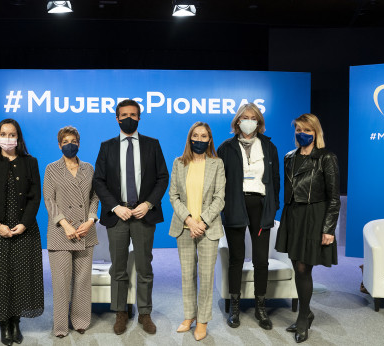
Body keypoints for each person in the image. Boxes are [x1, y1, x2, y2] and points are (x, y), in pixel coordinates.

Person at [93, 99, 169, 335]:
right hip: (118, 216)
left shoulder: (152, 144)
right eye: (124, 114)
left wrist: (148, 204)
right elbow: (99, 181)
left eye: (133, 114)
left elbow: (162, 178)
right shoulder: (107, 146)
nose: (129, 118)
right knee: (118, 268)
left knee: (145, 268)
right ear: (117, 118)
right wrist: (116, 207)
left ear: (139, 117)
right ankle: (121, 313)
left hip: (143, 214)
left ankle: (145, 313)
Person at [0, 118, 44, 346]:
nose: (8, 138)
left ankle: (16, 321)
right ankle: (3, 324)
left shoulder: (30, 162)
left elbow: (35, 197)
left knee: (20, 277)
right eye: (3, 134)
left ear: (18, 137)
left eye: (12, 134)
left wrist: (24, 223)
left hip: (24, 229)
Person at [275, 113, 340, 343]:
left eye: (307, 130)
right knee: (296, 265)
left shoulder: (326, 158)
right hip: (293, 215)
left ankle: (303, 317)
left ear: (316, 133)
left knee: (304, 269)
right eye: (299, 130)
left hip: (315, 216)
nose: (302, 134)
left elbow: (334, 197)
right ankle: (307, 312)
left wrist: (329, 228)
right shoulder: (288, 157)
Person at [217, 103, 280, 330]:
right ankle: (235, 307)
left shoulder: (269, 147)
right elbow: (219, 181)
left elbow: (275, 179)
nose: (249, 121)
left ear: (259, 122)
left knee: (260, 259)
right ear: (237, 121)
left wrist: (274, 206)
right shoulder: (226, 147)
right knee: (236, 258)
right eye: (244, 117)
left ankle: (260, 308)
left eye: (253, 117)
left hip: (261, 206)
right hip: (235, 205)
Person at [169, 122, 225, 341]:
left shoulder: (217, 163)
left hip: (208, 229)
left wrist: (201, 222)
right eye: (195, 135)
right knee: (187, 276)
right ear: (189, 138)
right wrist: (190, 221)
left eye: (204, 136)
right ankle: (189, 316)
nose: (199, 139)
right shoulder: (178, 162)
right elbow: (174, 195)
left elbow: (220, 197)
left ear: (209, 140)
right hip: (184, 228)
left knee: (206, 276)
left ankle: (202, 320)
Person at [43, 126, 99, 337]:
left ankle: (81, 320)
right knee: (61, 282)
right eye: (65, 141)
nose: (70, 144)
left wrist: (91, 220)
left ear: (79, 143)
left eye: (73, 141)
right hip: (60, 232)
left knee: (83, 280)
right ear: (59, 145)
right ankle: (60, 326)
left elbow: (94, 197)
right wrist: (65, 224)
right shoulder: (51, 169)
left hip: (85, 231)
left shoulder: (88, 168)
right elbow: (49, 200)